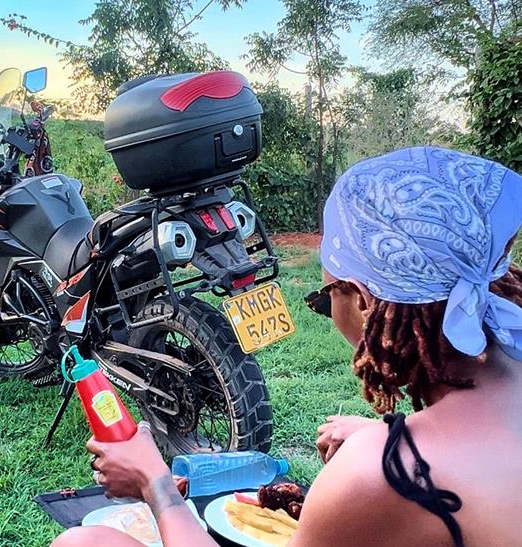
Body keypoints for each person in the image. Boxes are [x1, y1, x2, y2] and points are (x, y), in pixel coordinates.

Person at [50, 146, 522, 547]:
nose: (326, 308)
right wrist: (376, 434)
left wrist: (156, 486)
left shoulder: (389, 472)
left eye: (324, 298)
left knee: (83, 541)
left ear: (361, 299)